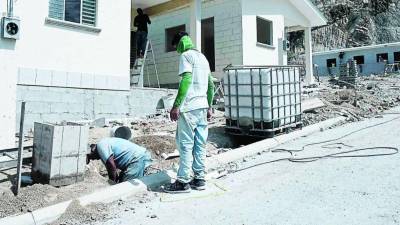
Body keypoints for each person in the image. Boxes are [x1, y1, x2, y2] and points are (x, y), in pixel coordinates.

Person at [165, 32, 215, 193]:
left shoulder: (186, 56)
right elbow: (211, 86)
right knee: (200, 144)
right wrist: (209, 106)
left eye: (176, 47)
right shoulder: (203, 58)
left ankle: (183, 181)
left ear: (179, 43)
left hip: (189, 108)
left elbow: (186, 80)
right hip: (202, 106)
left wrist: (176, 105)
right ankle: (199, 179)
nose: (177, 50)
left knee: (185, 145)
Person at [87, 137, 152, 183]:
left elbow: (111, 166)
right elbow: (113, 170)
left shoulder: (101, 147)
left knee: (125, 186)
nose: (93, 159)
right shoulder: (103, 146)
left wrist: (112, 183)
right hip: (137, 157)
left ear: (92, 150)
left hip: (136, 159)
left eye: (91, 157)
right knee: (121, 181)